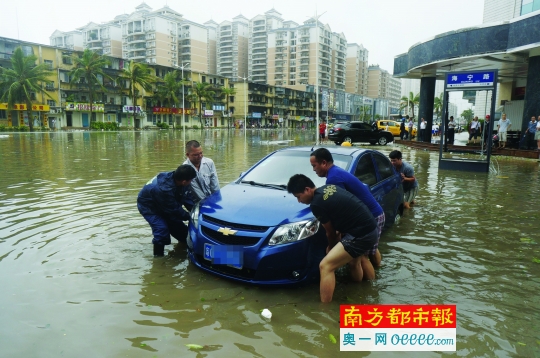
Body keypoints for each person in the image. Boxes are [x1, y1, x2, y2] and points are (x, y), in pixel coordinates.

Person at [287, 174, 378, 303]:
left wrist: (331, 247)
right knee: (355, 262)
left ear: (307, 190)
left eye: (298, 196)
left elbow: (330, 232)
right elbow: (342, 214)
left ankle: (325, 311)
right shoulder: (329, 188)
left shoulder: (316, 204)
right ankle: (364, 291)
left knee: (326, 266)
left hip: (361, 234)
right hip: (370, 228)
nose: (299, 201)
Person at [310, 148, 384, 267]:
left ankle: (369, 284)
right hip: (375, 213)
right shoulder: (336, 172)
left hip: (369, 217)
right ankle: (378, 272)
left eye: (314, 165)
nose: (313, 169)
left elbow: (341, 207)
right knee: (372, 251)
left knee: (361, 257)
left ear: (324, 163)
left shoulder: (333, 179)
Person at [137, 165, 197, 257]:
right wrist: (190, 217)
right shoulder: (163, 189)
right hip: (150, 208)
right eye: (190, 180)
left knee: (183, 233)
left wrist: (196, 212)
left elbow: (187, 198)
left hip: (166, 204)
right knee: (161, 230)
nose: (191, 182)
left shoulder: (179, 179)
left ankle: (182, 251)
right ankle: (158, 260)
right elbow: (174, 210)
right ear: (184, 181)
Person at [183, 140, 220, 208]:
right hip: (195, 203)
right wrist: (208, 205)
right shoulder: (185, 168)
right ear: (188, 155)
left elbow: (215, 185)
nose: (200, 156)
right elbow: (195, 190)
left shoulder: (209, 163)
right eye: (196, 155)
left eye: (201, 153)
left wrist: (217, 200)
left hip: (210, 199)